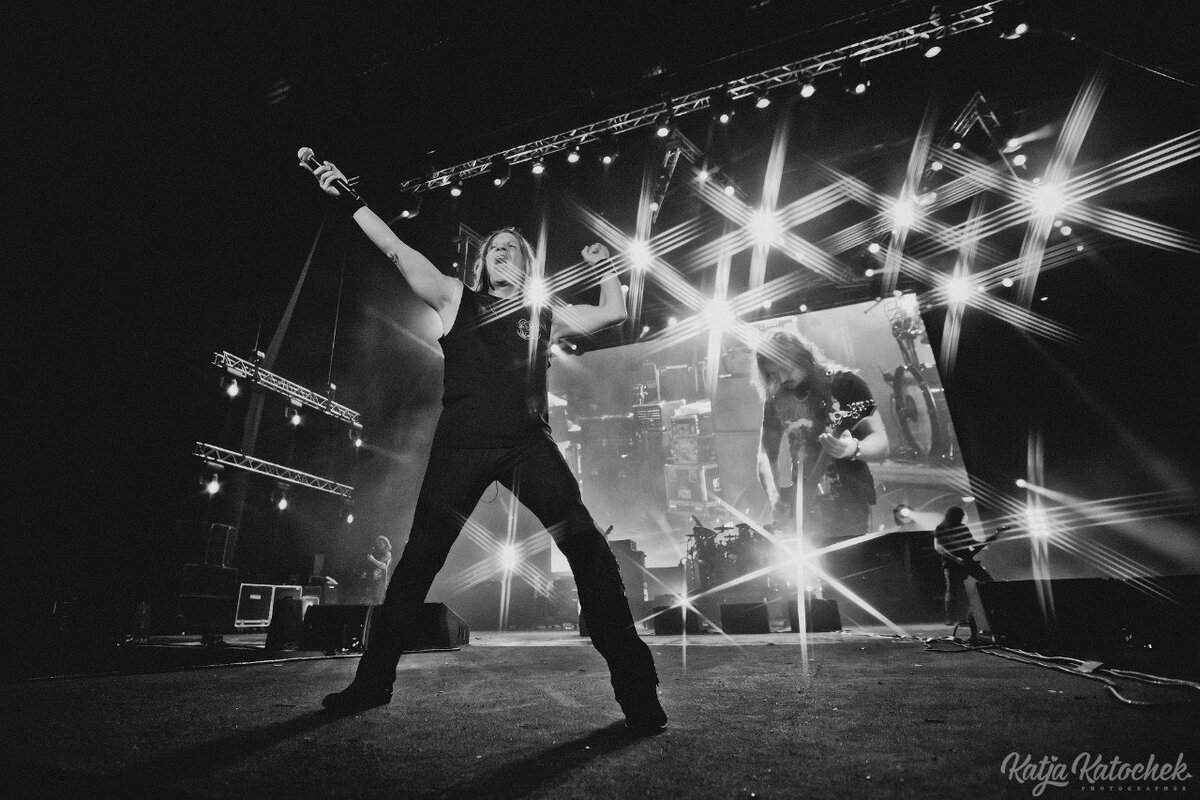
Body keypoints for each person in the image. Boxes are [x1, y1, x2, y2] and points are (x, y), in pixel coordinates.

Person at [306, 159, 666, 734]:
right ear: (482, 263)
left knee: (588, 548)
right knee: (418, 562)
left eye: (510, 249)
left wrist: (607, 266)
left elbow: (614, 311)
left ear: (525, 264)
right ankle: (372, 683)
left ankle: (638, 693)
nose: (499, 253)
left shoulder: (544, 314)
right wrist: (348, 197)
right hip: (462, 446)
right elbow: (396, 249)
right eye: (493, 249)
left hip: (527, 443)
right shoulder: (455, 298)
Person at [751, 330, 889, 542]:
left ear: (803, 356)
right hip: (804, 509)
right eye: (773, 374)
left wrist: (852, 448)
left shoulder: (845, 384)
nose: (782, 378)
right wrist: (774, 497)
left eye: (786, 368)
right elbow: (766, 455)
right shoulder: (775, 399)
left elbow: (881, 442)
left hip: (849, 509)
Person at [933, 506, 995, 626]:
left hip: (967, 561)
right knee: (952, 590)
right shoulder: (940, 528)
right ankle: (949, 618)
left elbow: (971, 543)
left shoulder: (962, 528)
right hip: (951, 563)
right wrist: (955, 558)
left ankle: (992, 611)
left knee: (988, 582)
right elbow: (938, 547)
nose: (961, 518)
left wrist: (988, 541)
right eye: (960, 516)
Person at [359, 536, 392, 603]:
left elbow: (384, 567)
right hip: (374, 583)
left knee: (378, 601)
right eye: (377, 543)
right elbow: (374, 569)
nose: (378, 545)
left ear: (386, 544)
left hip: (382, 583)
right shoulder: (377, 554)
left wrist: (372, 560)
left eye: (380, 543)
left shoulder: (387, 554)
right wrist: (366, 574)